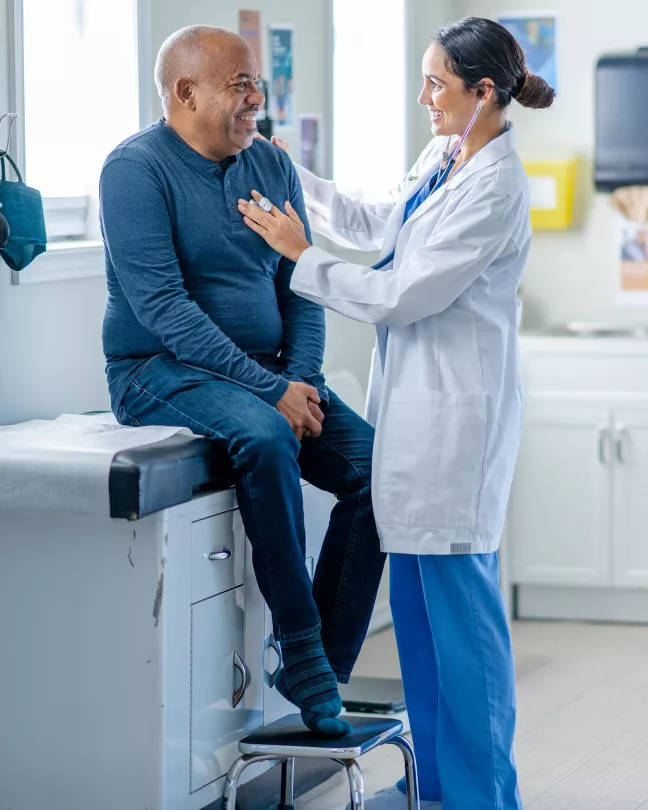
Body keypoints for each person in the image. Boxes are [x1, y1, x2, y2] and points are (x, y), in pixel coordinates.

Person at [238, 16, 554, 810]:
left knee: (464, 636)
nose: (425, 99)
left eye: (437, 84)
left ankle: (486, 798)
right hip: (412, 425)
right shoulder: (447, 156)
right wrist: (286, 173)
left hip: (457, 431)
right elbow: (377, 220)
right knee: (417, 628)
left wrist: (298, 256)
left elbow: (402, 295)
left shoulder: (498, 187)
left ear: (485, 93)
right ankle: (443, 792)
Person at [98, 25, 386, 738]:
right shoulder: (134, 171)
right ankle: (304, 649)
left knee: (380, 470)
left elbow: (300, 285)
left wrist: (301, 379)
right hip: (159, 370)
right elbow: (163, 308)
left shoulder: (270, 165)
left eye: (255, 81)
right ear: (184, 92)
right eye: (240, 85)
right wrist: (270, 394)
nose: (256, 97)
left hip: (268, 374)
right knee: (263, 437)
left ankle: (322, 656)